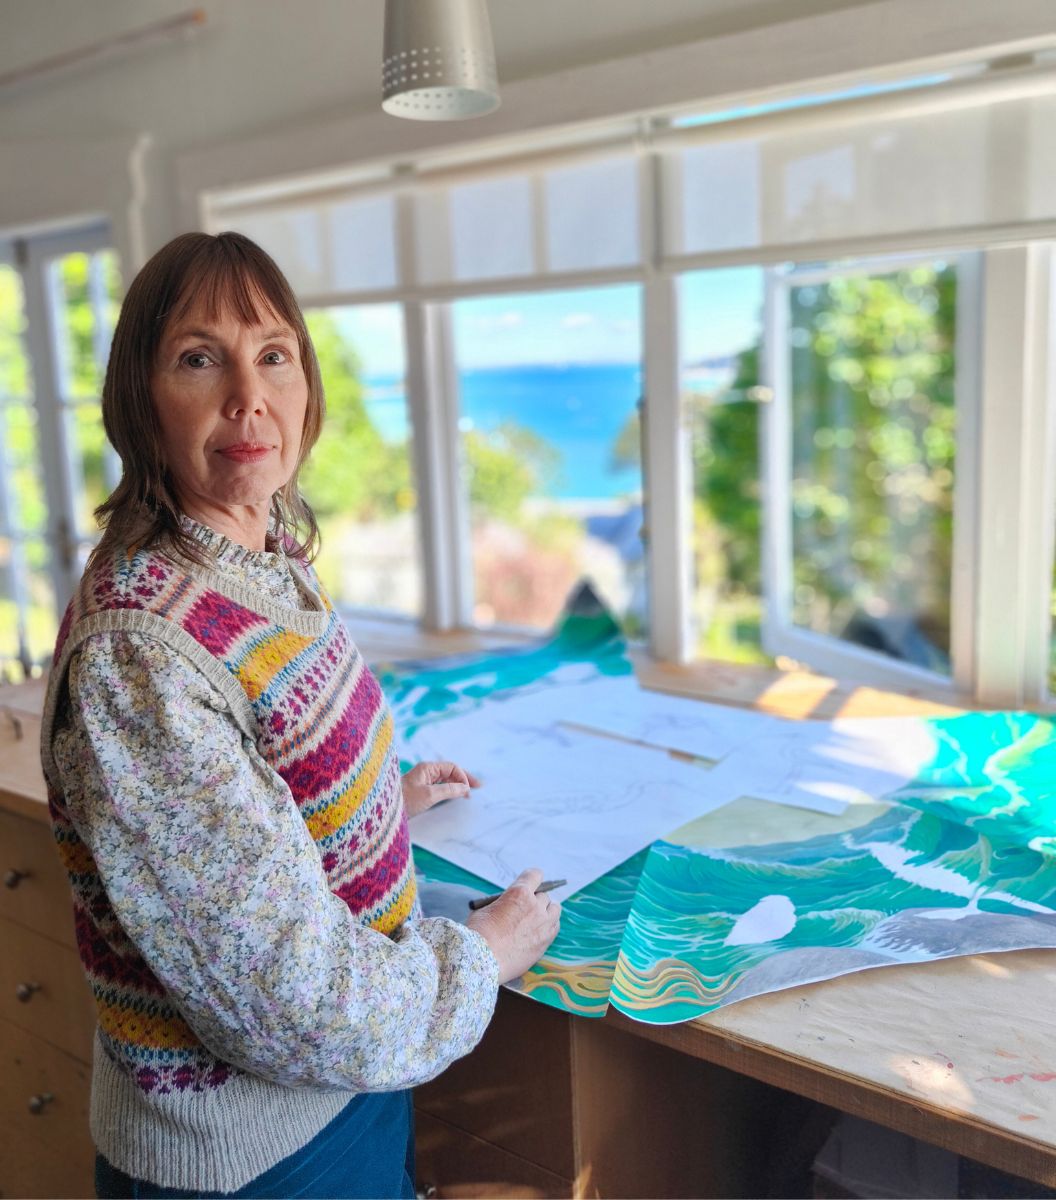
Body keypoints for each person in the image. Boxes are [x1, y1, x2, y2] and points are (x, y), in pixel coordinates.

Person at [39, 231, 561, 1199]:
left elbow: (252, 786)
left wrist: (373, 802)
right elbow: (292, 1001)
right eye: (201, 359)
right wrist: (481, 957)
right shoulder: (137, 657)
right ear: (139, 399)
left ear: (307, 385)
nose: (250, 395)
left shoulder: (255, 552)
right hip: (257, 1156)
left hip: (345, 1093)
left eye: (273, 354)